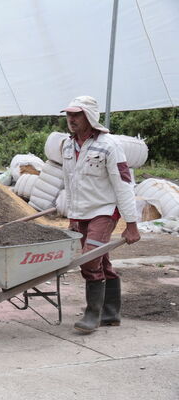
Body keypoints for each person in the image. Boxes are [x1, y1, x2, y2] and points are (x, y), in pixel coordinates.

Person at [61, 95, 141, 333]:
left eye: (76, 115)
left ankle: (92, 315)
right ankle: (111, 314)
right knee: (101, 261)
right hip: (81, 212)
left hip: (104, 211)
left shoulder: (109, 146)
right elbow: (69, 181)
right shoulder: (67, 145)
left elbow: (124, 184)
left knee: (89, 260)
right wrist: (72, 217)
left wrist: (132, 224)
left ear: (89, 116)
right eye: (68, 114)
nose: (71, 119)